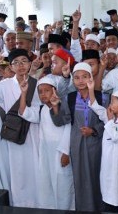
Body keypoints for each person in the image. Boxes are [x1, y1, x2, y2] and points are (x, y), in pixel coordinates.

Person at [0, 49, 41, 207]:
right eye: (16, 62)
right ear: (11, 67)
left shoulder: (37, 84)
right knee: (18, 174)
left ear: (29, 64)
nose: (20, 65)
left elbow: (38, 113)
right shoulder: (4, 86)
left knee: (36, 173)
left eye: (24, 61)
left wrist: (26, 112)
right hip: (15, 138)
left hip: (33, 134)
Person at [88, 83, 118, 213]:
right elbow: (95, 106)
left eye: (113, 102)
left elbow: (115, 135)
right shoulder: (109, 117)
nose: (110, 104)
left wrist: (108, 121)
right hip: (108, 167)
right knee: (109, 196)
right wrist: (91, 89)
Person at [69, 63, 104, 211]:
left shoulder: (102, 97)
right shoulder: (69, 98)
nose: (81, 81)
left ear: (91, 77)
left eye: (85, 76)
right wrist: (54, 107)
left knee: (97, 177)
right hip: (77, 144)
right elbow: (63, 122)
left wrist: (94, 130)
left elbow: (107, 121)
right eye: (77, 77)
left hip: (96, 144)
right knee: (80, 178)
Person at [36, 77, 75, 210]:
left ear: (54, 91)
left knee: (63, 183)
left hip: (60, 151)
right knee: (47, 182)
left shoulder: (62, 104)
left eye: (47, 90)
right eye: (40, 92)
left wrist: (65, 152)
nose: (43, 94)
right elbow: (42, 134)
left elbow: (67, 128)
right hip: (47, 151)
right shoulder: (43, 109)